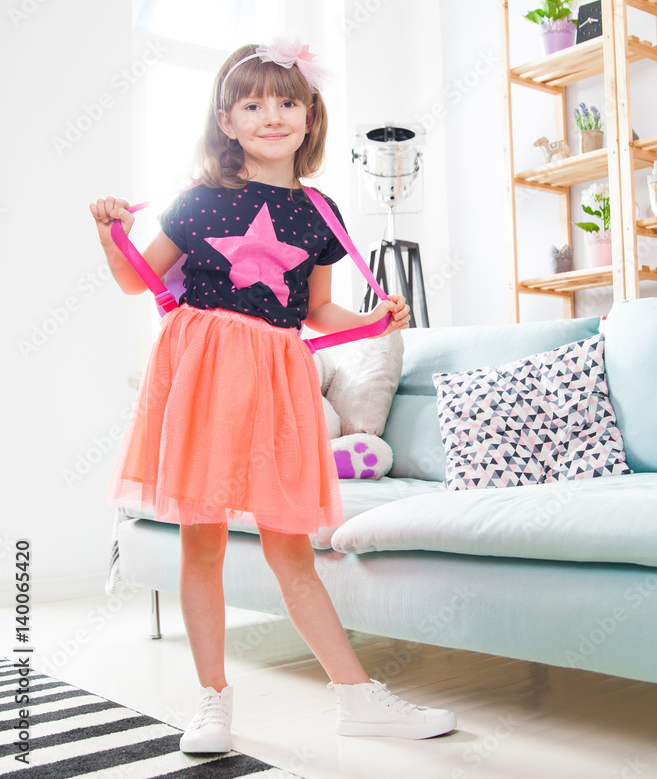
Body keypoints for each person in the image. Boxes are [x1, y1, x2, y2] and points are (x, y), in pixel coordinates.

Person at [89, 38, 456, 753]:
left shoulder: (320, 211)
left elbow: (317, 311)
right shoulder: (198, 200)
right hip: (203, 375)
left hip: (276, 380)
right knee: (203, 543)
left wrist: (373, 321)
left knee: (292, 549)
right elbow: (139, 280)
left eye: (287, 101)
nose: (271, 115)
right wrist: (113, 239)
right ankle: (212, 701)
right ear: (226, 122)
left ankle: (355, 698)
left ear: (310, 115)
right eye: (252, 103)